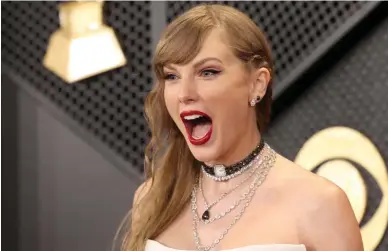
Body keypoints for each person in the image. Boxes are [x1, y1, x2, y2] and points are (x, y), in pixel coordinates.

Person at [120, 3, 363, 251]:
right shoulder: (152, 198)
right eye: (172, 76)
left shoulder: (320, 205)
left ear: (257, 84)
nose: (184, 94)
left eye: (208, 72)